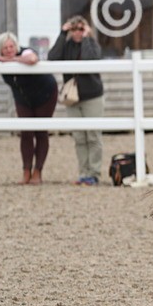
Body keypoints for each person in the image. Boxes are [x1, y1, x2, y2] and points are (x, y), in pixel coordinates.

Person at [0, 32, 58, 184]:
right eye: (5, 48)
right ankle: (26, 171)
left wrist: (13, 60)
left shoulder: (24, 51)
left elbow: (32, 59)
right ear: (1, 49)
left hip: (45, 93)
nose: (9, 50)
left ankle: (38, 172)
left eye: (11, 46)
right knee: (25, 132)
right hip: (23, 98)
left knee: (41, 131)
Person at [50, 15, 105, 185]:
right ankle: (83, 172)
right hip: (72, 97)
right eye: (74, 29)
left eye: (81, 29)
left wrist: (88, 38)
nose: (77, 33)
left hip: (92, 95)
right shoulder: (66, 46)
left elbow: (91, 60)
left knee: (93, 136)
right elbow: (52, 57)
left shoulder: (92, 45)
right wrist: (61, 33)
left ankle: (94, 173)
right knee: (79, 137)